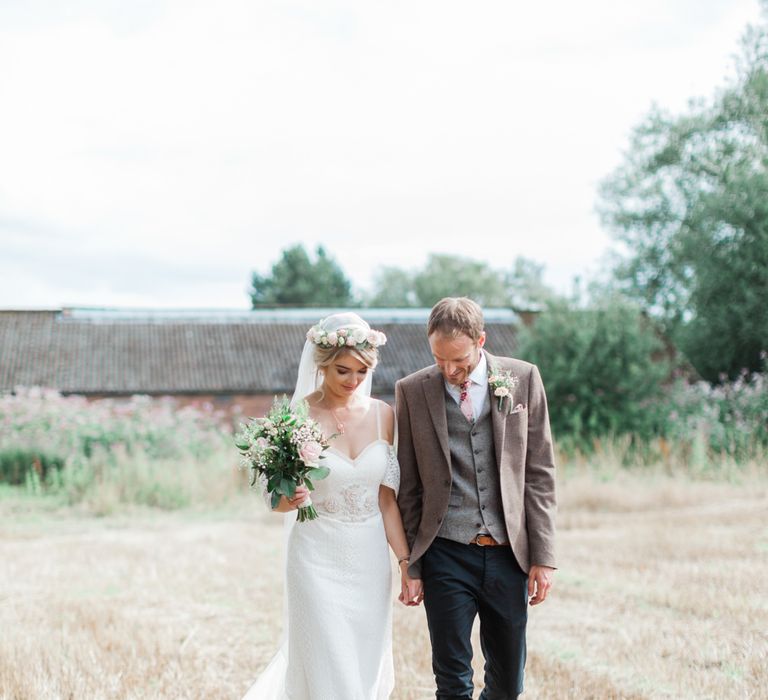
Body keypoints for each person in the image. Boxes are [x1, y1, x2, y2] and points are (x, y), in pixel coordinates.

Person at [243, 312, 418, 700]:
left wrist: (407, 564)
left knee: (362, 666)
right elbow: (277, 501)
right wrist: (292, 499)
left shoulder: (383, 415)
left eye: (361, 371)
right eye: (343, 371)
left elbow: (386, 502)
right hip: (315, 559)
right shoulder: (295, 417)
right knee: (327, 668)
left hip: (370, 563)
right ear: (321, 365)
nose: (353, 381)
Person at [395, 297, 557, 700]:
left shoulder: (523, 378)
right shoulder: (412, 392)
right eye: (439, 359)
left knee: (507, 685)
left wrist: (544, 556)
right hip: (445, 551)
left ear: (481, 340)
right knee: (452, 683)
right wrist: (412, 564)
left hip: (508, 553)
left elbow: (539, 475)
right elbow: (410, 486)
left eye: (459, 361)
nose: (449, 371)